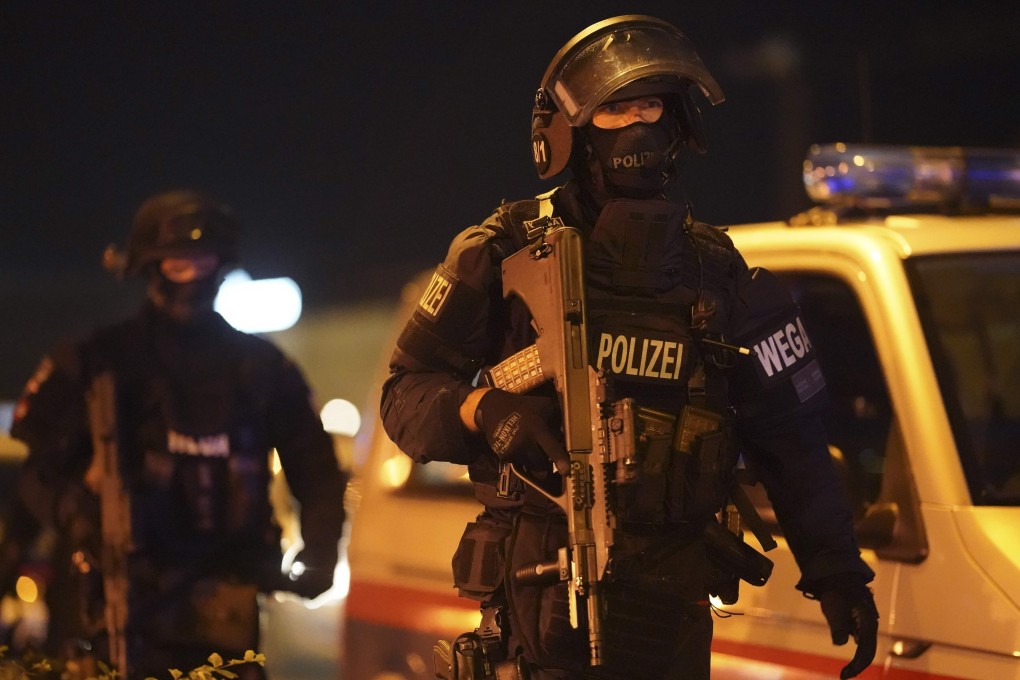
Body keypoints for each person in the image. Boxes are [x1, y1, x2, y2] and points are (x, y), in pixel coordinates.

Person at [380, 15, 878, 680]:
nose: (639, 126)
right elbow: (404, 394)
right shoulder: (502, 252)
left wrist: (837, 569)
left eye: (650, 105)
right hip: (544, 589)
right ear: (573, 131)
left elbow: (786, 434)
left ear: (677, 121)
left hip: (671, 600)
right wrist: (482, 411)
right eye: (616, 108)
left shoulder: (713, 267)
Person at [0, 190, 348, 679]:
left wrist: (320, 550)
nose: (190, 277)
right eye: (176, 264)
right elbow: (37, 472)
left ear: (222, 264)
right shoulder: (98, 360)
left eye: (201, 261)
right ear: (147, 266)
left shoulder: (263, 369)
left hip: (227, 603)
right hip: (114, 601)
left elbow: (317, 471)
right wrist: (73, 515)